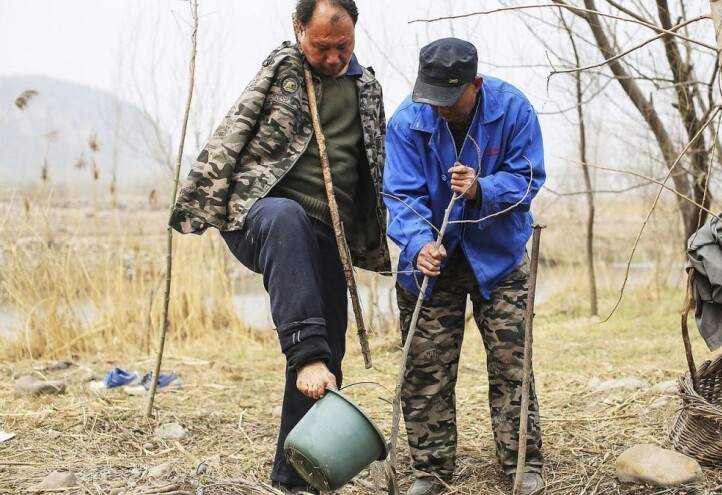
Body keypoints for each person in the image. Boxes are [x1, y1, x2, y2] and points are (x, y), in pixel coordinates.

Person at [169, 1, 389, 492]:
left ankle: (296, 477)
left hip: (327, 233)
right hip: (263, 217)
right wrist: (199, 200)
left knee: (329, 356)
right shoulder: (285, 68)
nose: (332, 58)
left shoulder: (368, 89)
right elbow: (235, 128)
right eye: (321, 46)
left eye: (343, 46)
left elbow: (375, 164)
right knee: (288, 219)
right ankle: (306, 353)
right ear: (298, 31)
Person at [384, 38, 547, 495]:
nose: (440, 110)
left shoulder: (514, 110)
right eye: (431, 99)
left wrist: (482, 189)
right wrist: (418, 244)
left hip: (499, 257)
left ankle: (522, 464)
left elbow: (529, 179)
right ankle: (430, 471)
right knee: (425, 366)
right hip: (432, 263)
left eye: (449, 100)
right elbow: (399, 194)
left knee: (512, 363)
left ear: (475, 84)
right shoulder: (405, 122)